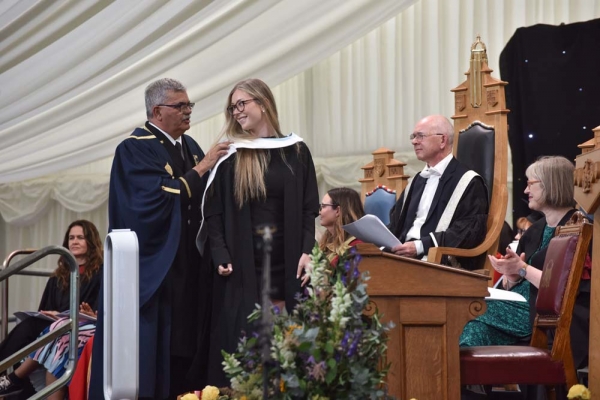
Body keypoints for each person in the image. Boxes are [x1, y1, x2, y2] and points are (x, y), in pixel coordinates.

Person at [89, 78, 231, 400]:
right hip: (154, 270)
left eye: (189, 105)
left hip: (189, 267)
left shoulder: (190, 147)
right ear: (157, 111)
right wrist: (204, 167)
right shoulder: (134, 148)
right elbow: (158, 198)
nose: (188, 111)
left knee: (186, 352)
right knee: (154, 356)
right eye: (180, 106)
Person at [197, 78, 319, 387]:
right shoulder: (232, 155)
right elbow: (213, 212)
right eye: (232, 107)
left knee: (290, 344)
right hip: (244, 264)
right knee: (242, 342)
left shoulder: (296, 151)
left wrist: (308, 251)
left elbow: (309, 209)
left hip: (287, 260)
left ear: (263, 103)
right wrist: (220, 253)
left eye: (242, 104)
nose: (236, 111)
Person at [481, 156, 590, 371]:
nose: (525, 190)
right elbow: (518, 277)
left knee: (470, 313)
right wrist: (511, 275)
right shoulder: (534, 230)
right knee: (469, 324)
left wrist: (521, 269)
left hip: (545, 316)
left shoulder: (578, 229)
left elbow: (565, 288)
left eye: (530, 183)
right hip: (518, 306)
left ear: (551, 183)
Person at [0, 220, 103, 399]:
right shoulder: (58, 276)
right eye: (71, 238)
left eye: (80, 237)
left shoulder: (101, 273)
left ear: (91, 241)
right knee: (30, 324)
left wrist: (90, 313)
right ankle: (11, 381)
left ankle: (12, 380)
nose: (74, 241)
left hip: (81, 326)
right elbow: (45, 308)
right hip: (55, 324)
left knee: (38, 329)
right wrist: (51, 314)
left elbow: (100, 311)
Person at [388, 115, 489, 270]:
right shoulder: (417, 181)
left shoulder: (468, 182)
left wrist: (420, 246)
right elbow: (396, 224)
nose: (414, 141)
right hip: (402, 258)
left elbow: (467, 232)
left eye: (420, 136)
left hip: (439, 265)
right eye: (413, 137)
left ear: (442, 140)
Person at [318, 187, 365, 263]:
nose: (319, 212)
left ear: (337, 211)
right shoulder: (326, 242)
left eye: (323, 206)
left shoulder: (356, 246)